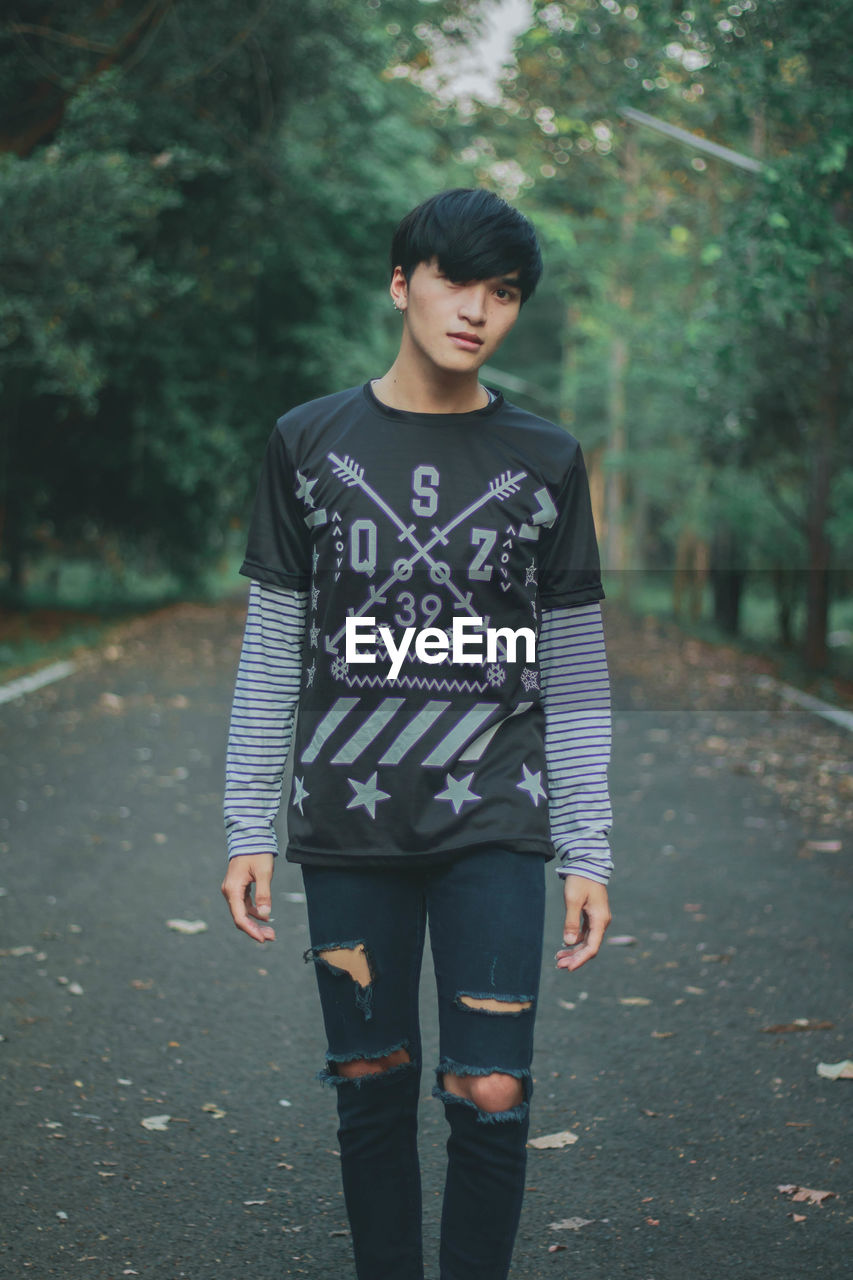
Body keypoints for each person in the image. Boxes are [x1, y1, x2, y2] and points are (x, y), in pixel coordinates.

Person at [222, 187, 613, 1280]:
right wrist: (247, 820)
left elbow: (575, 668)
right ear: (402, 283)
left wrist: (587, 844)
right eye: (453, 279)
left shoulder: (545, 457)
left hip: (495, 810)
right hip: (346, 814)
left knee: (489, 1085)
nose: (476, 309)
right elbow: (272, 648)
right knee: (370, 1078)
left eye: (504, 292)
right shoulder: (308, 441)